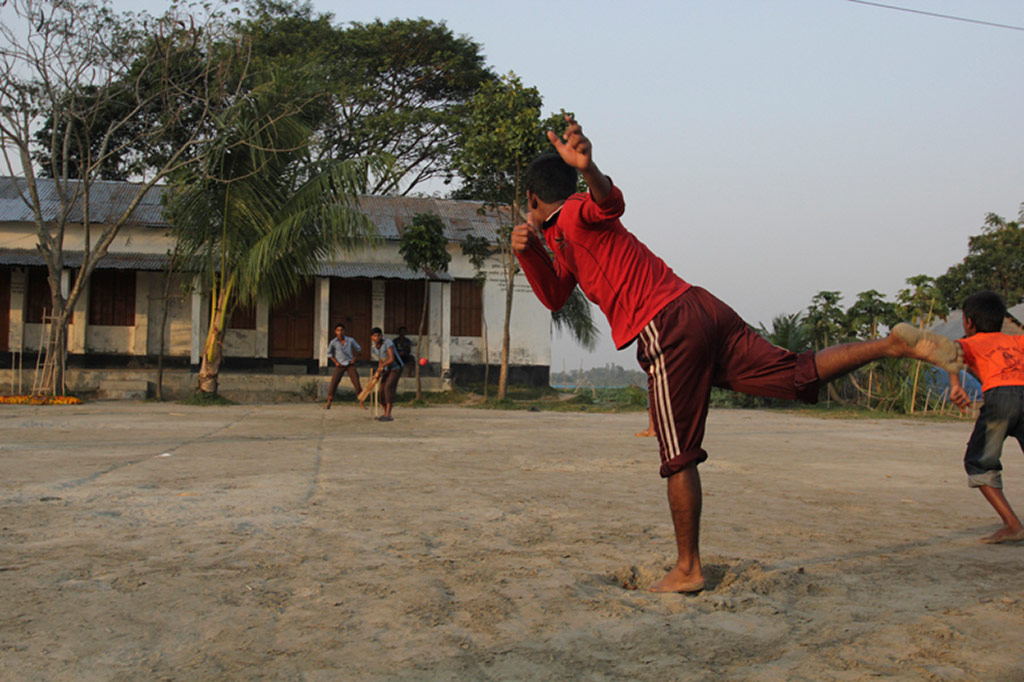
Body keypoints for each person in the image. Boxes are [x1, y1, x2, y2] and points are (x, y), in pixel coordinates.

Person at [511, 114, 965, 593]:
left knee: (678, 456)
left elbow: (609, 202)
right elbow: (558, 294)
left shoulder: (580, 209)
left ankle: (688, 568)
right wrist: (529, 252)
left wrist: (589, 166)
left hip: (665, 326)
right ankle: (893, 344)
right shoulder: (559, 237)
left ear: (533, 200)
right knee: (796, 375)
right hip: (701, 307)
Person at [946, 291, 1024, 544]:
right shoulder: (1018, 341)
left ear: (968, 321)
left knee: (979, 461)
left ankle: (1012, 524)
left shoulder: (968, 343)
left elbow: (952, 354)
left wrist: (955, 385)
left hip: (1000, 399)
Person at [369, 326, 404, 422]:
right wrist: (378, 372)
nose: (377, 338)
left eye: (379, 335)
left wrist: (381, 367)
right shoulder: (374, 348)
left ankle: (388, 414)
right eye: (375, 336)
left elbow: (391, 359)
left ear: (381, 336)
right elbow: (381, 361)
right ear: (371, 337)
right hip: (387, 369)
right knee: (381, 390)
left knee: (388, 387)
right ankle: (385, 413)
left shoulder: (387, 342)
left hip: (396, 368)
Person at [324, 323, 362, 410]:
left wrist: (354, 359)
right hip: (340, 364)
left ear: (344, 331)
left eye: (341, 330)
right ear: (335, 332)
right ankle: (329, 402)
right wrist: (335, 362)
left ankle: (361, 402)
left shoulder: (350, 340)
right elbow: (329, 353)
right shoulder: (333, 342)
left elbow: (359, 349)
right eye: (338, 330)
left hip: (350, 364)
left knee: (356, 381)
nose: (340, 332)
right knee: (334, 382)